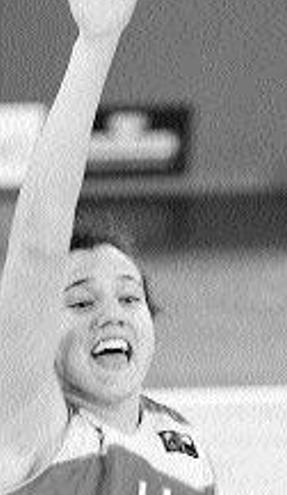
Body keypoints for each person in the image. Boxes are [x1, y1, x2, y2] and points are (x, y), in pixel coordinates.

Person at [0, 0, 215, 493]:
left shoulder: (185, 445)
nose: (112, 314)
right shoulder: (29, 426)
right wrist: (95, 44)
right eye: (79, 300)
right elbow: (38, 247)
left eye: (129, 296)